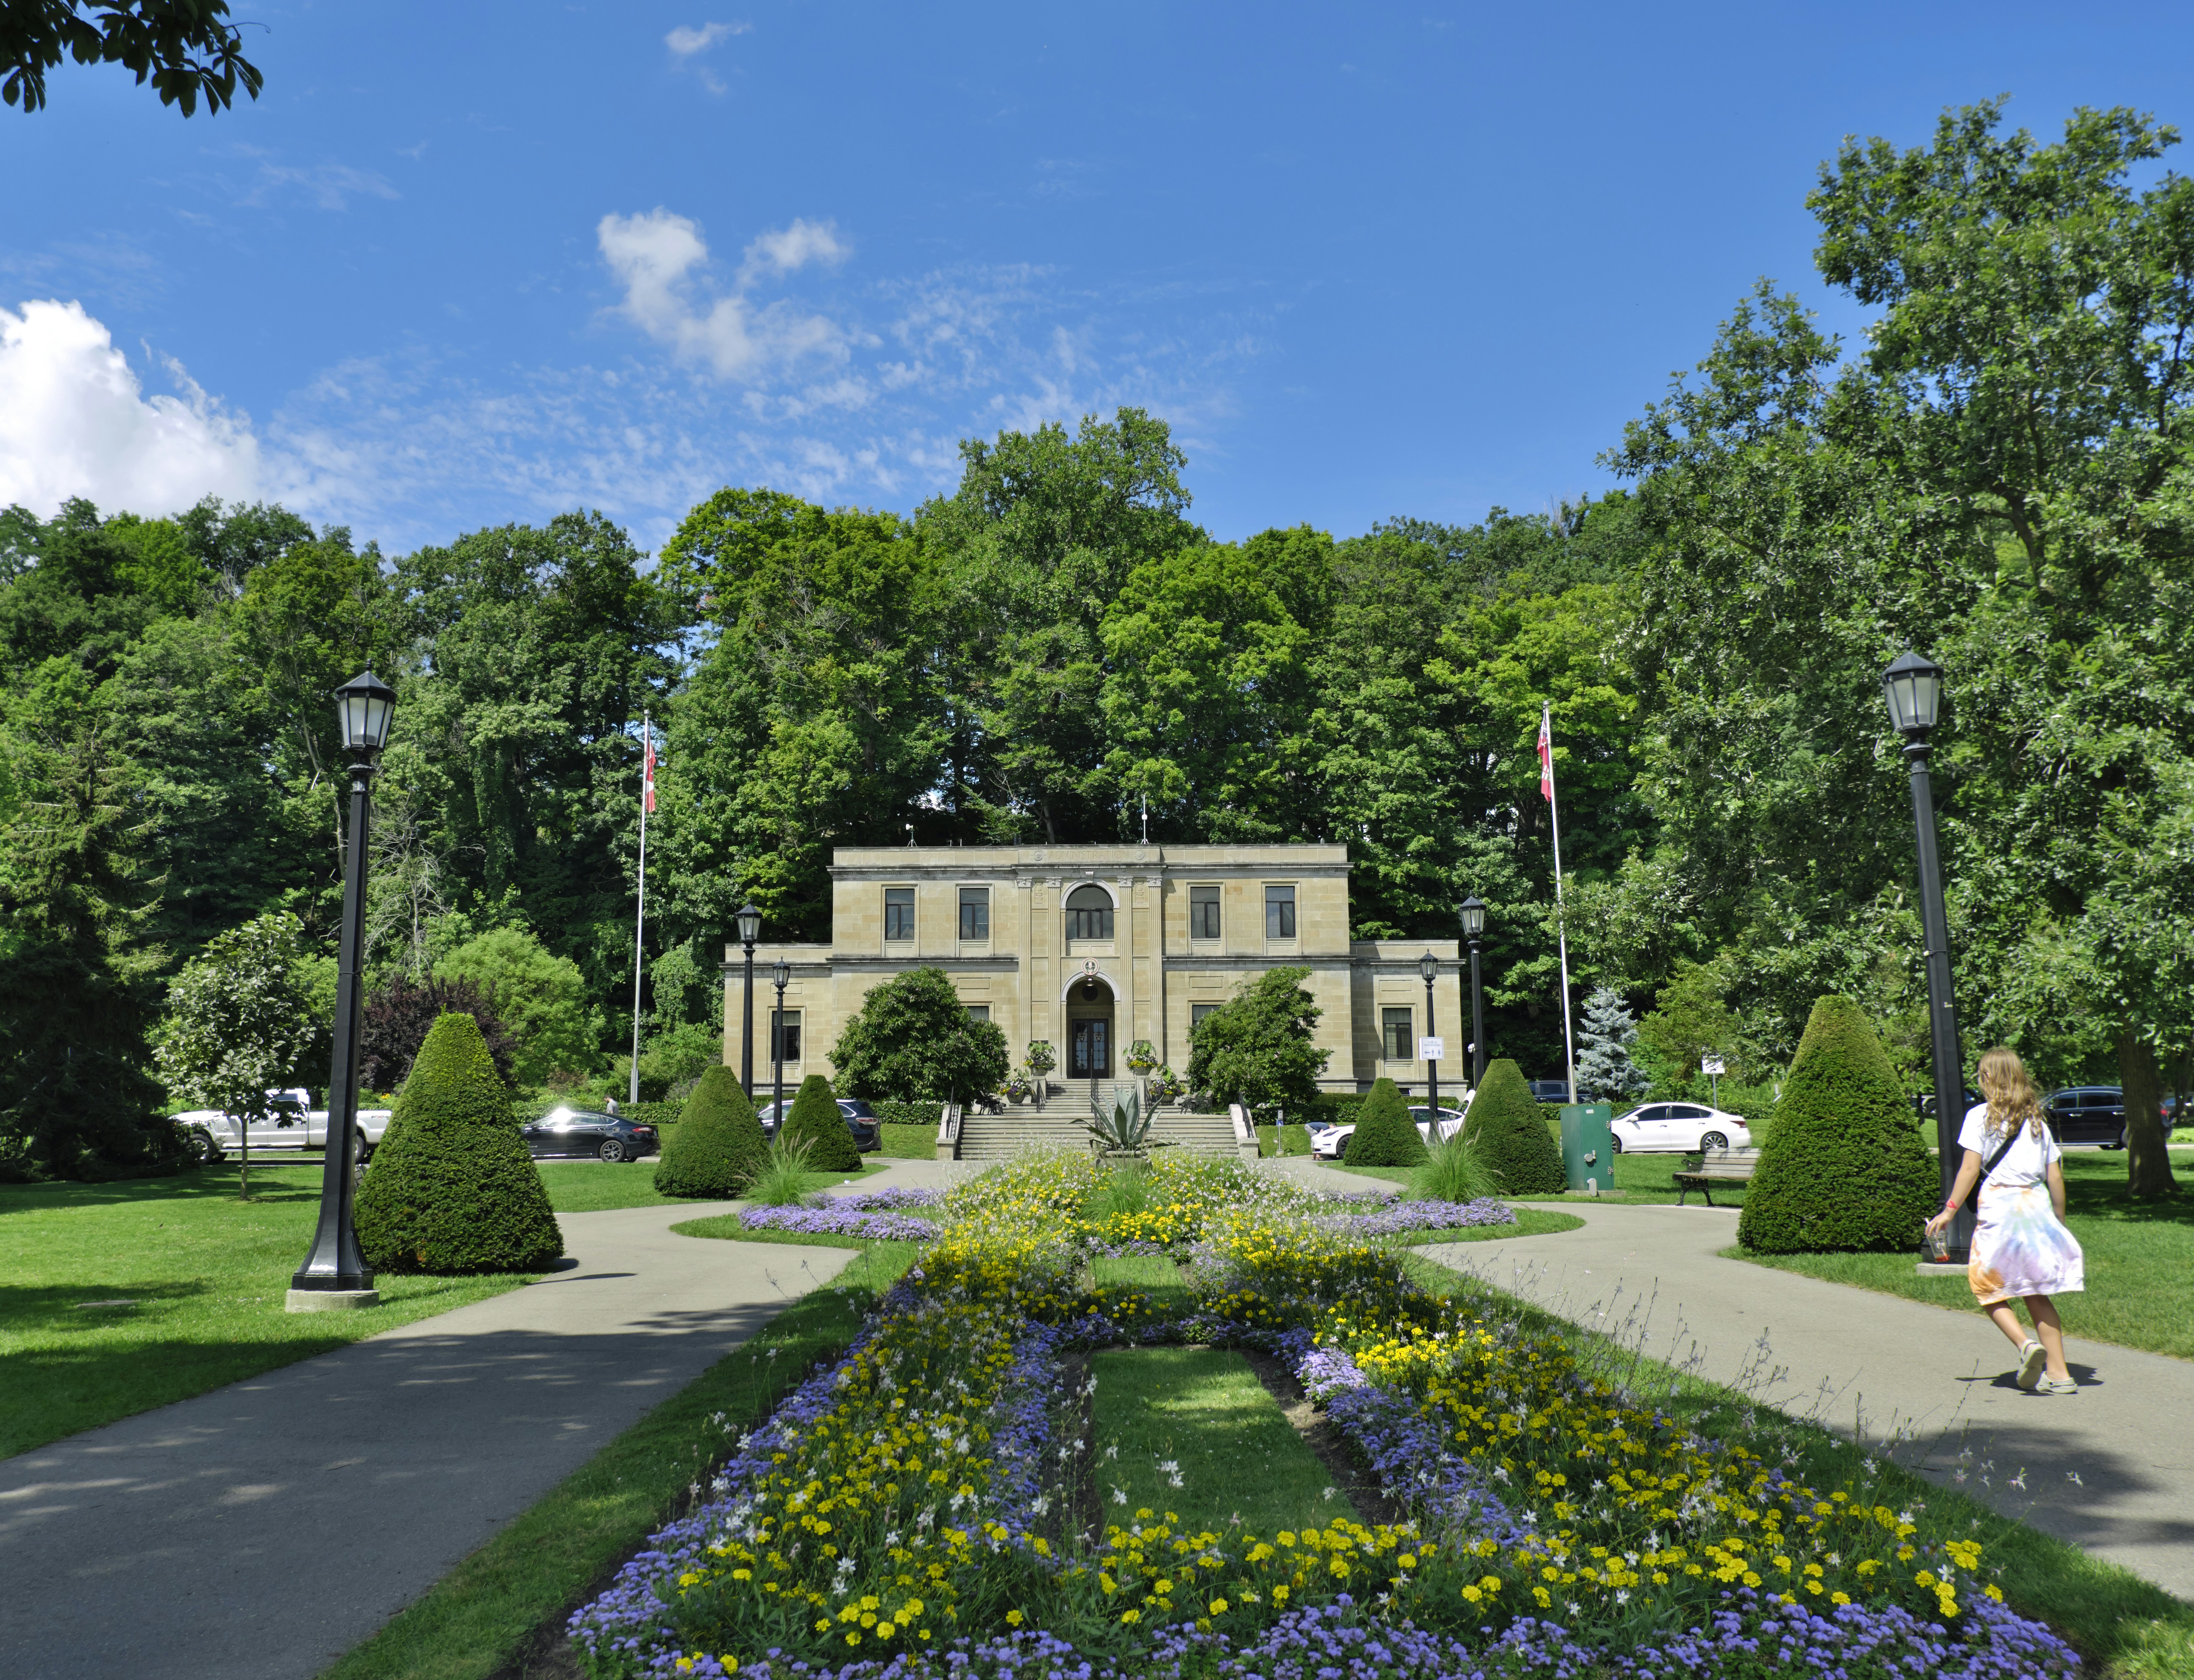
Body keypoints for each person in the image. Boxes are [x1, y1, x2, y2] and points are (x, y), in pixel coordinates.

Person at [1925, 1047, 2085, 1394]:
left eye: (1982, 1074)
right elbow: (2055, 1177)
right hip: (2036, 1209)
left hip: (2000, 1207)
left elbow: (1970, 1168)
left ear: (1989, 1078)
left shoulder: (1980, 1116)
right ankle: (2061, 1375)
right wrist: (2058, 1220)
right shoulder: (2036, 1119)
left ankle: (2026, 1346)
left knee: (1985, 1286)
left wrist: (1950, 1210)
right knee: (2036, 1292)